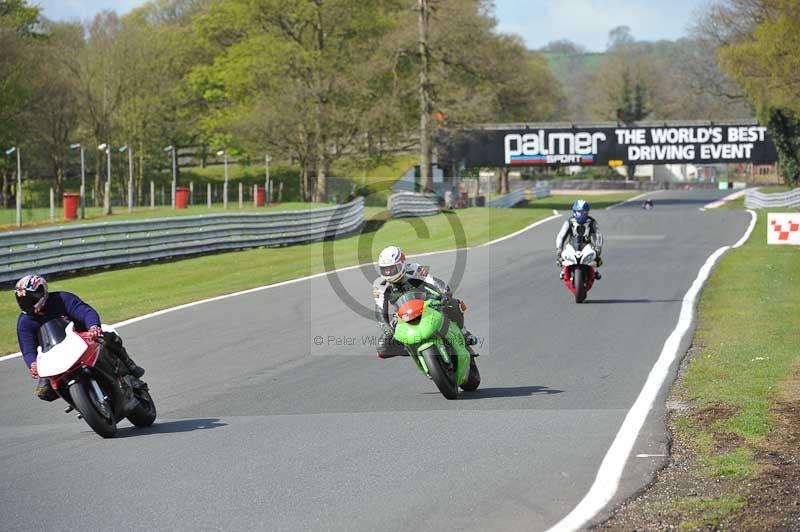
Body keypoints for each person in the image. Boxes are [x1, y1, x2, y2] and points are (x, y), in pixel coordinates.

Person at [15, 274, 145, 402]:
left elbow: (85, 311)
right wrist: (33, 364)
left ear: (41, 293)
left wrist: (93, 327)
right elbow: (27, 347)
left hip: (84, 337)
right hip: (54, 355)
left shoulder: (62, 299)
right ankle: (77, 399)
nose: (25, 304)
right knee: (43, 392)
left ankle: (129, 365)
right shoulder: (25, 322)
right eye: (22, 300)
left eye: (28, 299)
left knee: (107, 337)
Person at [371, 246, 477, 359]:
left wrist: (445, 293)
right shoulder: (379, 284)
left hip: (428, 303)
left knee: (454, 304)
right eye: (385, 269)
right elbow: (380, 308)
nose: (388, 273)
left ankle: (463, 332)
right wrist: (386, 327)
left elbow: (433, 280)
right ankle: (413, 349)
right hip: (403, 314)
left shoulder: (414, 268)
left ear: (401, 264)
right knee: (383, 348)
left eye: (391, 268)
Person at [555, 199, 604, 280]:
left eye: (585, 212)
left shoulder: (591, 221)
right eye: (580, 212)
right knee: (562, 256)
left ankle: (595, 270)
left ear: (587, 212)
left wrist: (598, 247)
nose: (582, 214)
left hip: (587, 245)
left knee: (596, 257)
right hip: (571, 245)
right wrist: (559, 248)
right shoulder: (569, 221)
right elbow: (561, 235)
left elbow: (598, 235)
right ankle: (564, 269)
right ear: (575, 212)